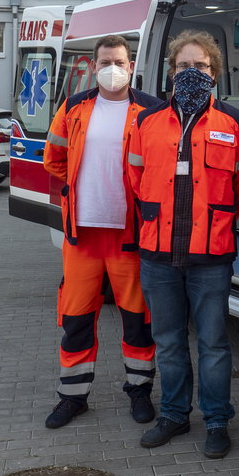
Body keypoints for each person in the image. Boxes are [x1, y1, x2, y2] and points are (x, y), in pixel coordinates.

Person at [127, 30, 239, 459]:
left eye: (200, 66)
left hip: (210, 256)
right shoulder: (146, 121)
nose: (191, 73)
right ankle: (175, 415)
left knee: (215, 344)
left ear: (214, 71)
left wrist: (216, 219)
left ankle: (217, 419)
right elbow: (136, 180)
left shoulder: (234, 122)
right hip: (158, 254)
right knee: (168, 341)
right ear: (171, 71)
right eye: (184, 66)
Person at [42, 34, 162, 429]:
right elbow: (54, 158)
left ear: (131, 66)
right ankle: (72, 397)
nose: (113, 67)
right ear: (94, 66)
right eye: (105, 61)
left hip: (129, 234)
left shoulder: (150, 110)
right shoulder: (74, 106)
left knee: (137, 319)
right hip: (83, 234)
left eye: (120, 61)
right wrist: (81, 190)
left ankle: (140, 392)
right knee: (76, 317)